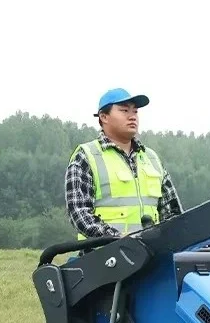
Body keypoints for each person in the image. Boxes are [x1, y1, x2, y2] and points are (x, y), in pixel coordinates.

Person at [65, 88, 183, 239]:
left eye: (135, 112)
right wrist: (118, 239)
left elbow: (172, 212)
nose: (132, 116)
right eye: (124, 110)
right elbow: (79, 213)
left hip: (153, 254)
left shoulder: (152, 158)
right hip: (104, 256)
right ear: (104, 116)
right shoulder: (86, 155)